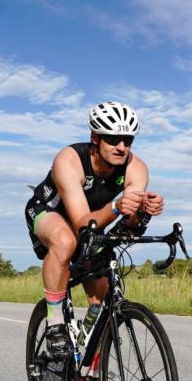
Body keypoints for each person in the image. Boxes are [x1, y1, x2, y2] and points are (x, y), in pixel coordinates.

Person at [25, 101, 164, 354]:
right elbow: (81, 224)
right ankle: (55, 323)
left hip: (94, 219)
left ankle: (88, 359)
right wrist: (115, 207)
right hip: (50, 212)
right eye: (112, 139)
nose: (121, 147)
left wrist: (142, 213)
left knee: (100, 298)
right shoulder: (70, 159)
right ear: (95, 137)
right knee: (67, 242)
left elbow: (128, 224)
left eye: (127, 140)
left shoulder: (137, 168)